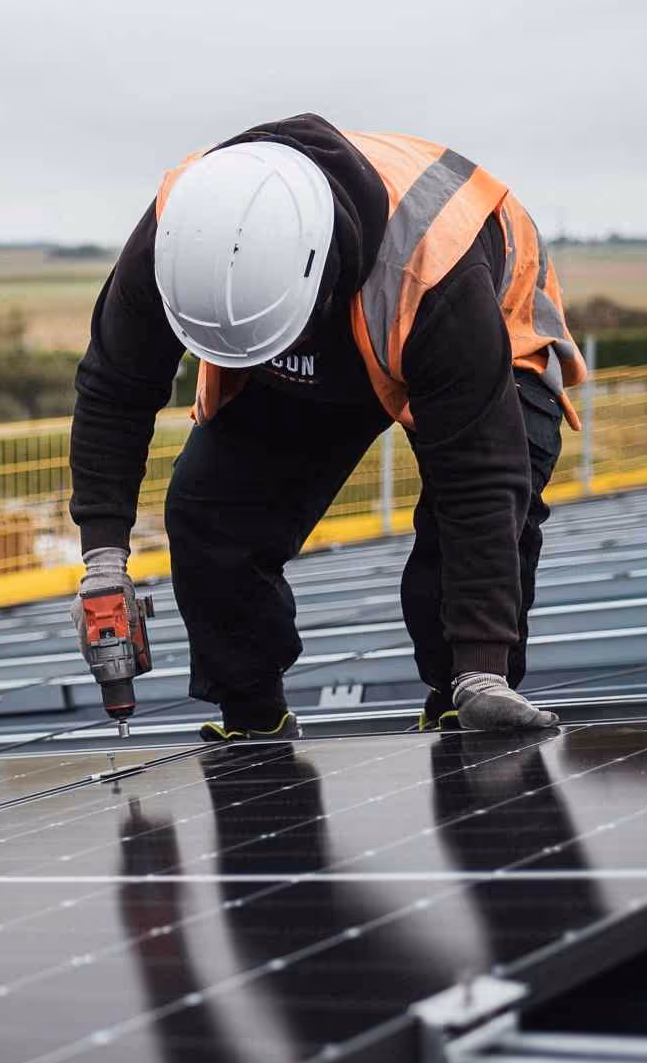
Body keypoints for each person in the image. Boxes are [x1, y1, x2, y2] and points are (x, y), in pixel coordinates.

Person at [69, 114, 585, 740]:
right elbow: (113, 391)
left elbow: (481, 480)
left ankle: (458, 701)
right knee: (212, 517)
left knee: (469, 530)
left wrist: (481, 670)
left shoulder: (431, 272)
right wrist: (102, 560)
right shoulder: (183, 229)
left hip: (488, 331)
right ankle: (254, 723)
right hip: (313, 339)